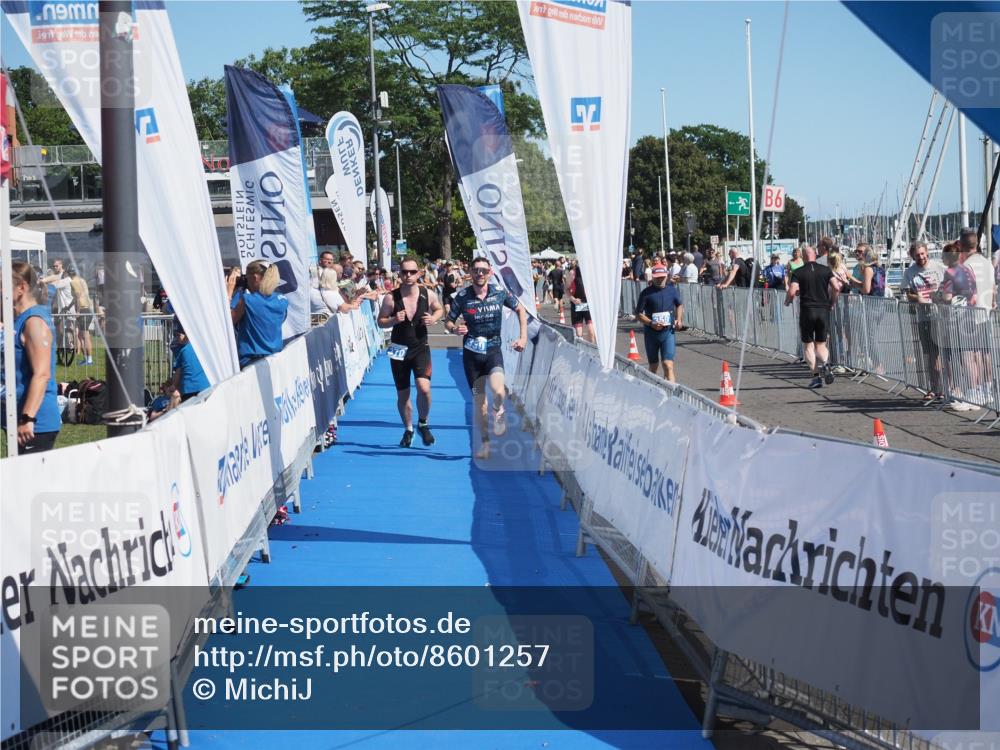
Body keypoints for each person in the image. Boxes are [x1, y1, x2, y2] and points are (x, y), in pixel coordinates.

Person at [445, 257, 527, 460]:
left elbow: (520, 309)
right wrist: (455, 329)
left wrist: (523, 338)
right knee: (480, 403)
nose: (480, 274)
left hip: (493, 351)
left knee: (499, 390)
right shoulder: (462, 297)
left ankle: (498, 409)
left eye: (483, 270)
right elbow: (448, 321)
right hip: (472, 356)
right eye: (476, 270)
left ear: (490, 272)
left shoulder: (499, 292)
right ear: (470, 273)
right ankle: (485, 443)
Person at [377, 258, 444, 447]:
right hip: (398, 350)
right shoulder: (391, 297)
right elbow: (380, 321)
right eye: (404, 272)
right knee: (403, 394)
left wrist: (434, 318)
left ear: (418, 273)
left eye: (412, 272)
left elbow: (439, 310)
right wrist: (393, 320)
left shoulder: (427, 294)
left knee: (424, 388)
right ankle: (408, 429)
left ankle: (423, 423)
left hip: (420, 348)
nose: (408, 275)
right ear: (399, 274)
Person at [2, 262, 61, 452]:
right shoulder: (16, 320)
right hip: (16, 418)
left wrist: (27, 418)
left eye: (1, 285)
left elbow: (42, 374)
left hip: (34, 424)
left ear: (21, 288)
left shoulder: (34, 321)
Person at [785, 246, 841, 388]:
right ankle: (826, 364)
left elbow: (792, 291)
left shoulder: (798, 271)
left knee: (808, 345)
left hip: (807, 310)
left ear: (803, 257)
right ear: (815, 255)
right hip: (823, 310)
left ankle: (816, 378)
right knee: (821, 344)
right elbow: (836, 287)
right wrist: (832, 302)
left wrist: (788, 300)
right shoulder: (826, 270)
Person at [902, 241, 945, 402]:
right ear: (912, 256)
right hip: (924, 317)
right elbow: (908, 294)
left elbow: (950, 287)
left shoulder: (939, 267)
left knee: (942, 354)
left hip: (941, 316)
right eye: (917, 255)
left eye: (922, 253)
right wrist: (917, 298)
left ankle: (946, 388)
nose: (921, 257)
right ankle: (933, 388)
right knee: (930, 354)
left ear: (927, 252)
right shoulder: (910, 272)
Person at [227, 261, 289, 368]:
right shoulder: (282, 300)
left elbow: (228, 321)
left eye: (247, 278)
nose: (246, 282)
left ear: (255, 278)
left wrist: (229, 292)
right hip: (275, 359)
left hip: (251, 362)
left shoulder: (248, 301)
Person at [634, 264, 684, 381]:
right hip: (651, 334)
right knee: (653, 367)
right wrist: (651, 323)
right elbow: (638, 314)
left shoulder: (672, 291)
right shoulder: (646, 293)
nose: (660, 279)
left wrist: (679, 319)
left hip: (668, 333)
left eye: (662, 277)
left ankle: (671, 392)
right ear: (653, 277)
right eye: (657, 277)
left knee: (668, 365)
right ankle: (650, 390)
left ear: (667, 276)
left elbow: (679, 304)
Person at [170, 321, 210, 402]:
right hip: (205, 387)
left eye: (178, 335)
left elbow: (178, 372)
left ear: (186, 335)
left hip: (189, 389)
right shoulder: (202, 348)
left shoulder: (182, 351)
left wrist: (173, 385)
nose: (176, 338)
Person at [68, 268, 94, 364]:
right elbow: (76, 297)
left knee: (85, 336)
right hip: (87, 309)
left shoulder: (73, 282)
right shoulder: (81, 280)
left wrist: (78, 311)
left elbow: (78, 297)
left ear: (69, 273)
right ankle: (86, 358)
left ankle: (89, 360)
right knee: (80, 336)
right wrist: (68, 307)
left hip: (83, 310)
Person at [567, 264, 596, 343]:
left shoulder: (593, 272)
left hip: (589, 304)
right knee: (579, 334)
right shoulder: (573, 272)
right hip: (578, 304)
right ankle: (581, 349)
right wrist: (573, 299)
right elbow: (566, 289)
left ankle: (591, 349)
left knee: (591, 331)